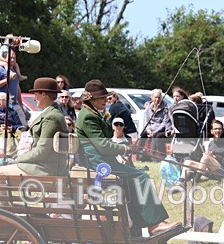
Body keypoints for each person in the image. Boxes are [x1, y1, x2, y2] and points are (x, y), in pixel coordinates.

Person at [76, 80, 178, 235]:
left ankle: (138, 226)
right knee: (142, 177)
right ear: (92, 100)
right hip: (99, 163)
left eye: (106, 97)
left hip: (103, 160)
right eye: (102, 97)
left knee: (135, 175)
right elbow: (103, 145)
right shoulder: (88, 117)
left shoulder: (94, 114)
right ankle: (154, 224)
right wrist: (125, 148)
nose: (106, 100)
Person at [0, 77, 68, 177]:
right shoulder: (51, 113)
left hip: (44, 169)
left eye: (36, 95)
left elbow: (41, 151)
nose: (34, 99)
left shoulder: (51, 117)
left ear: (44, 95)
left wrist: (17, 159)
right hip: (41, 166)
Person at [140, 88, 173, 160]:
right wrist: (149, 130)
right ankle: (139, 152)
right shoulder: (148, 108)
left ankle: (153, 155)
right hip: (151, 128)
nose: (157, 99)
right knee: (143, 133)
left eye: (159, 97)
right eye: (155, 97)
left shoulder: (166, 108)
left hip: (161, 129)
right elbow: (146, 122)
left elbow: (164, 122)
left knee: (156, 135)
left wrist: (154, 132)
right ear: (152, 98)